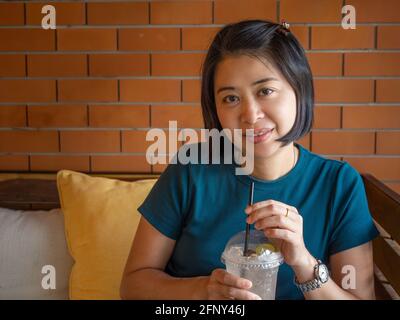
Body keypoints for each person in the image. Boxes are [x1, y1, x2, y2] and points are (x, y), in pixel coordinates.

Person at [120, 20, 379, 300]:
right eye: (231, 98)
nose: (250, 114)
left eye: (265, 91)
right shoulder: (190, 169)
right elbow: (133, 285)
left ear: (299, 88)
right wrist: (202, 290)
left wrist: (303, 262)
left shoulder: (339, 184)